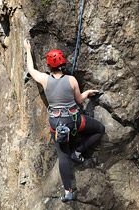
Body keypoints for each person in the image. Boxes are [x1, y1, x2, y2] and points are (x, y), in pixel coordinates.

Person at [24, 39, 105, 202]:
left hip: (56, 125)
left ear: (49, 66)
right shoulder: (72, 80)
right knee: (100, 129)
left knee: (62, 155)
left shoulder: (44, 79)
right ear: (63, 64)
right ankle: (79, 151)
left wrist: (28, 49)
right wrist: (87, 92)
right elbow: (79, 101)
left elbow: (30, 69)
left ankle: (69, 191)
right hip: (74, 121)